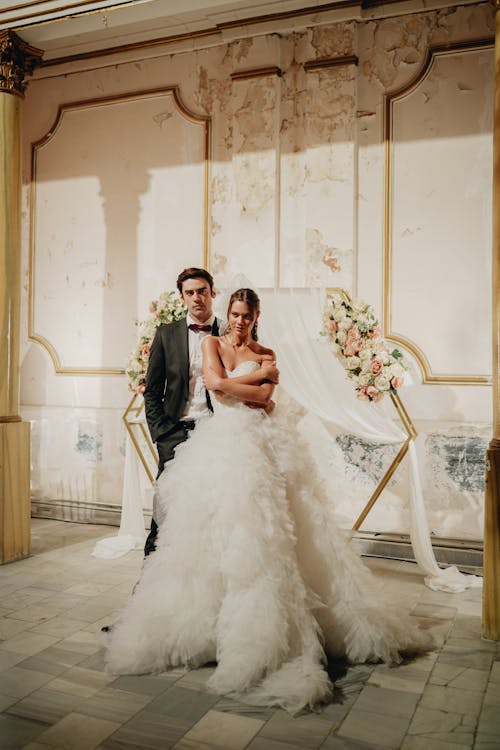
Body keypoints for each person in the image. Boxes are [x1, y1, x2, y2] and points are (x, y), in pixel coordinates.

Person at [105, 288, 433, 713]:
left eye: (247, 315)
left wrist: (232, 383)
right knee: (211, 535)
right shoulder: (213, 344)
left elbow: (263, 398)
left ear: (256, 316)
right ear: (229, 313)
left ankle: (267, 631)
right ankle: (203, 629)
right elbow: (214, 386)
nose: (239, 321)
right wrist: (243, 381)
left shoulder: (267, 352)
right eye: (235, 314)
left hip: (265, 447)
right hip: (222, 448)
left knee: (271, 533)